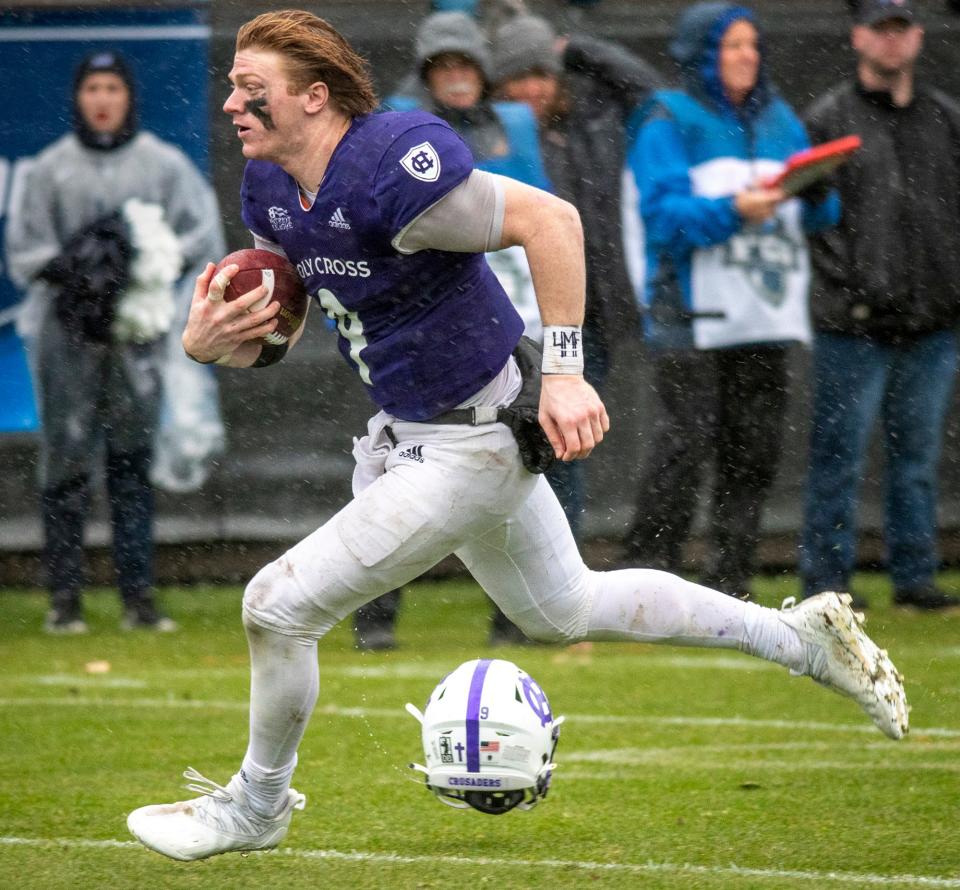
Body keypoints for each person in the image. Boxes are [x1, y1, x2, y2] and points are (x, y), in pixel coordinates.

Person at [126, 10, 906, 862]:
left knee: (275, 608)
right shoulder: (272, 186)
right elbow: (300, 315)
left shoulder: (393, 167)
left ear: (315, 98)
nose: (234, 104)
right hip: (420, 429)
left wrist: (567, 374)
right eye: (234, 86)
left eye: (253, 89)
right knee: (565, 607)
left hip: (473, 440)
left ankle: (258, 804)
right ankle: (796, 638)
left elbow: (555, 222)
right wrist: (215, 347)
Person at [620, 2, 840, 598]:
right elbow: (662, 217)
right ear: (701, 53)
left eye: (753, 45)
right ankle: (646, 582)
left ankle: (731, 583)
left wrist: (819, 191)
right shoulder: (667, 118)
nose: (748, 56)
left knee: (754, 455)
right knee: (682, 453)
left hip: (763, 318)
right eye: (732, 45)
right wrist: (732, 212)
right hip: (690, 317)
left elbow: (821, 212)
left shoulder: (780, 119)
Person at [5, 51, 225, 634]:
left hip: (137, 338)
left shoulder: (163, 164)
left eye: (113, 88)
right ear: (79, 98)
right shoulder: (50, 169)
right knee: (66, 459)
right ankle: (65, 599)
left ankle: (139, 597)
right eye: (92, 88)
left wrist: (143, 270)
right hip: (66, 336)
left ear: (129, 97)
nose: (103, 99)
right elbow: (26, 253)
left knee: (131, 460)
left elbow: (200, 235)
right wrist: (80, 270)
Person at [356, 9, 552, 649]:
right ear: (427, 71)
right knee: (402, 463)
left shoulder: (512, 124)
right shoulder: (401, 131)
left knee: (535, 453)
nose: (459, 78)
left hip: (516, 313)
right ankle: (375, 612)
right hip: (434, 320)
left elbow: (543, 213)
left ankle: (521, 613)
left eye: (468, 65)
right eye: (446, 67)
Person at [799, 0, 960, 610]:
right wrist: (855, 292)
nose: (893, 42)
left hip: (932, 324)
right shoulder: (828, 121)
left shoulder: (945, 120)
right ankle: (825, 583)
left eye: (902, 29)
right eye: (881, 30)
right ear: (858, 37)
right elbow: (813, 221)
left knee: (916, 461)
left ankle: (914, 579)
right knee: (836, 457)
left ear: (918, 36)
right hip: (853, 326)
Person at [491, 14, 662, 542]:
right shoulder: (488, 138)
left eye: (542, 74)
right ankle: (520, 589)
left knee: (565, 450)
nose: (532, 90)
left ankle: (558, 581)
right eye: (518, 77)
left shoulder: (594, 124)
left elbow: (651, 94)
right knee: (511, 456)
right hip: (515, 327)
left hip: (590, 322)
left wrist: (575, 47)